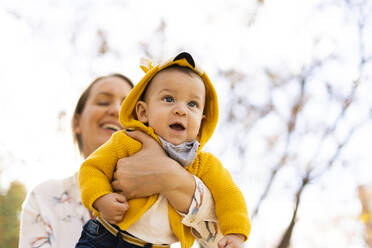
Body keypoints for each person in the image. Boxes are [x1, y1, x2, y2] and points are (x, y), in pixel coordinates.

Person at [18, 73, 222, 248]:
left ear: (144, 117)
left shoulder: (196, 172)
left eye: (126, 105)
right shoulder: (46, 197)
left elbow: (224, 240)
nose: (115, 110)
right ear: (78, 122)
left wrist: (168, 175)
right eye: (103, 102)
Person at [77, 52, 251, 248]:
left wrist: (236, 234)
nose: (181, 110)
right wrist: (100, 197)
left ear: (202, 122)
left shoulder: (202, 163)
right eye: (168, 99)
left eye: (192, 104)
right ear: (143, 112)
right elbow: (92, 169)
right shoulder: (128, 141)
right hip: (107, 237)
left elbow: (229, 194)